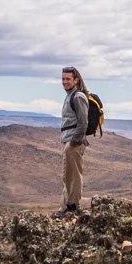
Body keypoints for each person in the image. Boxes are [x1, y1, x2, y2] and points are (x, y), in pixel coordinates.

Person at [58, 66, 91, 214]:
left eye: (68, 79)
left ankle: (73, 205)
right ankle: (66, 206)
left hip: (73, 142)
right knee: (67, 175)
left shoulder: (78, 97)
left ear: (76, 80)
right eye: (63, 79)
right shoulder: (70, 95)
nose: (65, 81)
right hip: (67, 140)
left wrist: (73, 142)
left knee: (74, 175)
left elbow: (83, 122)